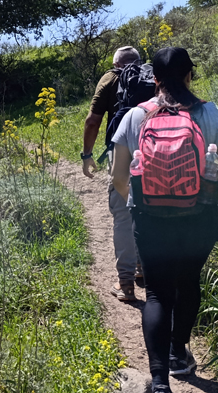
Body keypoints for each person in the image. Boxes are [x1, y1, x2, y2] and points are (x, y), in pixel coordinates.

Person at [111, 47, 218, 393]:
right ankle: (178, 355)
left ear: (153, 80)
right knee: (187, 283)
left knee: (156, 293)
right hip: (199, 217)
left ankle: (158, 382)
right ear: (190, 75)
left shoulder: (133, 117)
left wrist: (138, 205)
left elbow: (118, 176)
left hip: (150, 218)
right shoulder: (211, 114)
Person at [82, 45, 142, 302]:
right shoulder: (153, 76)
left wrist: (87, 155)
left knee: (123, 214)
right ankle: (145, 270)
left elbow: (93, 120)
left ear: (115, 63)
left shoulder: (109, 79)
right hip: (156, 151)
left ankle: (125, 283)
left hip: (122, 153)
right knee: (148, 209)